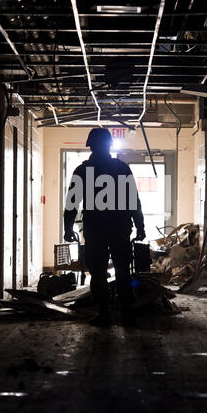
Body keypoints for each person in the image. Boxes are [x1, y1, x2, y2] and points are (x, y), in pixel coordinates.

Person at [64, 128, 145, 326]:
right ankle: (126, 313)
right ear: (109, 145)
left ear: (90, 145)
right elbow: (134, 201)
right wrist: (140, 226)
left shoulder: (83, 170)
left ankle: (104, 313)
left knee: (98, 273)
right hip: (119, 229)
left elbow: (71, 204)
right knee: (123, 271)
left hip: (96, 231)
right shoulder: (121, 168)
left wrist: (68, 228)